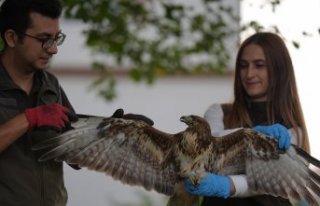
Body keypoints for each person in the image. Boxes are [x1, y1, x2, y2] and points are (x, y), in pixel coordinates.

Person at [0, 1, 153, 206]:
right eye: (44, 39)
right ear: (11, 37)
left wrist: (111, 130)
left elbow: (74, 153)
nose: (53, 49)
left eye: (57, 39)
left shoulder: (50, 85)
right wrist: (29, 118)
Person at [184, 32, 309, 206]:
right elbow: (208, 146)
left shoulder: (293, 131)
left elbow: (274, 178)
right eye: (243, 66)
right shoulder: (218, 112)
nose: (249, 73)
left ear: (278, 69)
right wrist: (248, 136)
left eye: (259, 65)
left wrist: (228, 186)